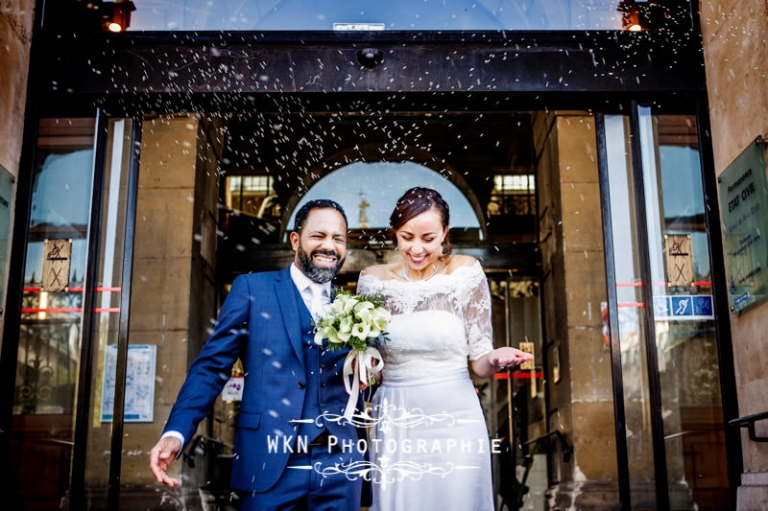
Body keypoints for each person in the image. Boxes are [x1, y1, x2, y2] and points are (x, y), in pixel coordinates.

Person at [149, 199, 367, 511]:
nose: (329, 246)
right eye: (318, 236)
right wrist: (176, 432)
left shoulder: (355, 308)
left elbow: (357, 384)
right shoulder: (253, 289)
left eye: (338, 238)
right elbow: (211, 368)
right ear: (295, 240)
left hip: (339, 466)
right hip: (269, 464)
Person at [357, 187, 533, 510]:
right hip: (398, 417)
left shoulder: (465, 273)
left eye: (428, 238)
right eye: (407, 237)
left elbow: (479, 362)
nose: (417, 248)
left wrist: (495, 357)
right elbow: (368, 359)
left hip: (456, 415)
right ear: (395, 232)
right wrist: (363, 367)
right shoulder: (372, 281)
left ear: (444, 234)